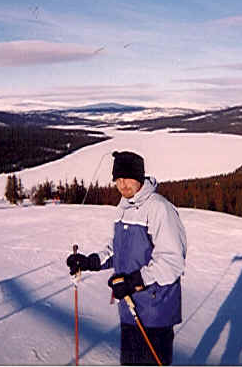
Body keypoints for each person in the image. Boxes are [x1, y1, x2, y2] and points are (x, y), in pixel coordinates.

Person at [66, 151, 187, 365]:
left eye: (127, 178)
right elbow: (117, 249)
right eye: (117, 179)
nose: (122, 185)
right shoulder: (124, 208)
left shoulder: (159, 208)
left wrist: (133, 282)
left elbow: (172, 262)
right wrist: (91, 261)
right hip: (129, 309)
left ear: (139, 177)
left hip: (155, 310)